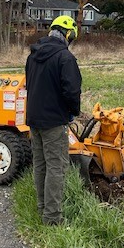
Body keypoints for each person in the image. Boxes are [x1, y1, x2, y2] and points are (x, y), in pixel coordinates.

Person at [25, 15, 82, 226]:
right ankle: (52, 218)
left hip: (34, 119)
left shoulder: (33, 56)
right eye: (71, 37)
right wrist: (72, 112)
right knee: (56, 168)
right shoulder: (65, 58)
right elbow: (72, 91)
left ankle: (42, 208)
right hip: (54, 122)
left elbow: (29, 86)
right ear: (67, 34)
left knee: (40, 165)